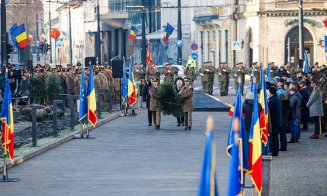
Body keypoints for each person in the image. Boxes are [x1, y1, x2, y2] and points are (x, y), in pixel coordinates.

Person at [267, 83, 283, 156]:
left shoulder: (272, 101)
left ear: (270, 92)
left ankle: (274, 151)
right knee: (275, 137)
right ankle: (274, 150)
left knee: (274, 137)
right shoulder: (277, 99)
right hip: (278, 120)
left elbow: (270, 112)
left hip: (273, 122)